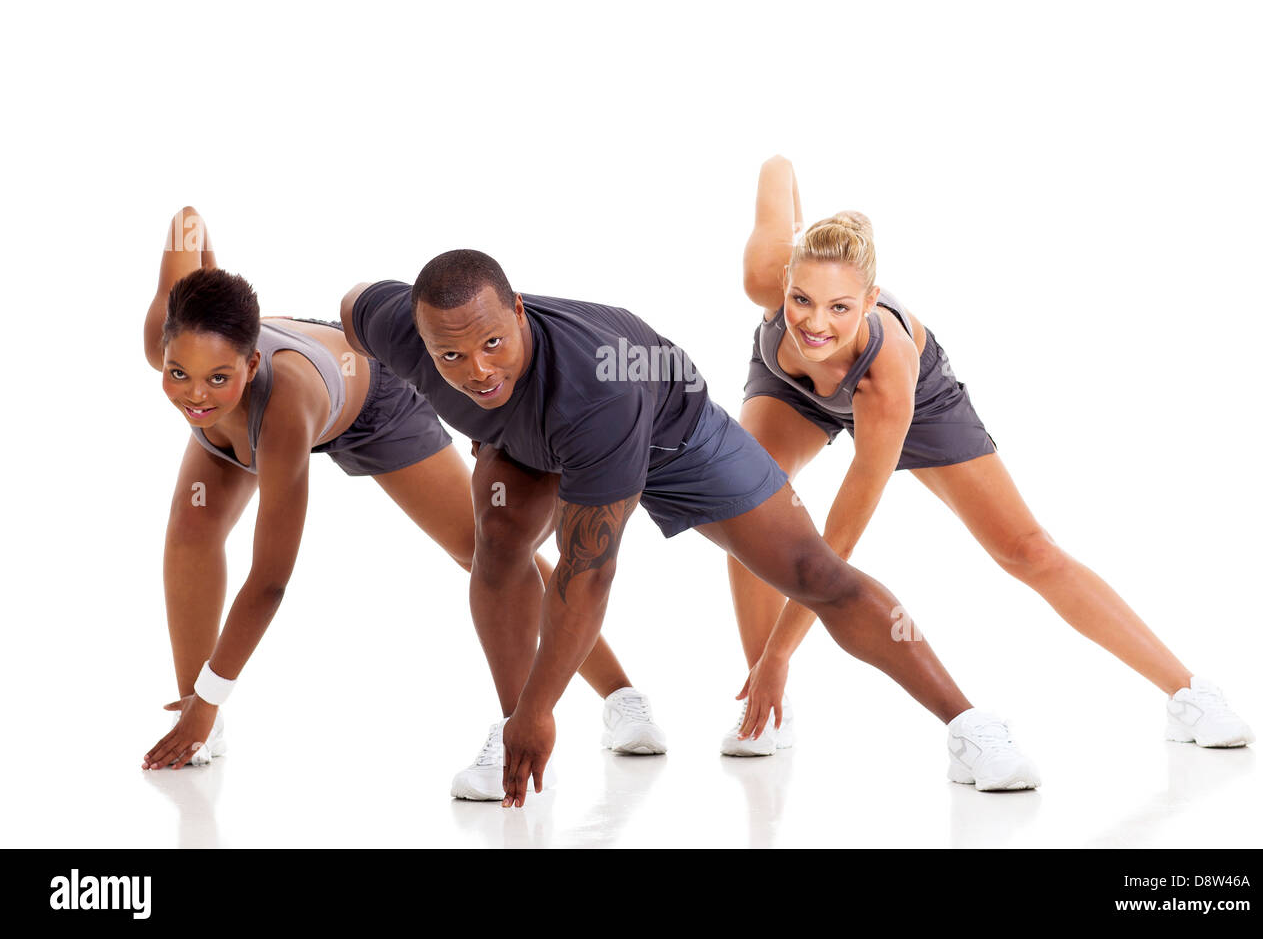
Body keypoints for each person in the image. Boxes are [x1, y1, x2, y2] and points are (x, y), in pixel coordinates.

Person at [342, 251, 1043, 803]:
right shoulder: (391, 323)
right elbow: (351, 305)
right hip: (536, 441)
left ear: (519, 312)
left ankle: (969, 725)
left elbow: (590, 575)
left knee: (815, 574)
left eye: (493, 343)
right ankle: (520, 735)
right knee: (496, 544)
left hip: (670, 432)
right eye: (451, 356)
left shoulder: (596, 389)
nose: (477, 371)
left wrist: (544, 706)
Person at [721, 156, 1253, 757]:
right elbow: (777, 167)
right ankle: (765, 707)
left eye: (839, 306)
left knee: (1027, 550)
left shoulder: (889, 374)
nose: (815, 324)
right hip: (789, 392)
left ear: (869, 300)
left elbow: (837, 544)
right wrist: (806, 228)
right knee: (749, 510)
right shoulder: (765, 275)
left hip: (911, 400)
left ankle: (1189, 694)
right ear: (784, 277)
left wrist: (783, 655)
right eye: (801, 299)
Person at [141, 208, 665, 796]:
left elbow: (270, 580)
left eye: (216, 376)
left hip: (369, 404)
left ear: (251, 361)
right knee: (190, 533)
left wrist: (220, 695)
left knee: (489, 551)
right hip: (238, 423)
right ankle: (194, 721)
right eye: (176, 372)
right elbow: (188, 221)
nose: (191, 394)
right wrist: (211, 296)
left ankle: (623, 698)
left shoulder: (285, 404)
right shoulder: (175, 342)